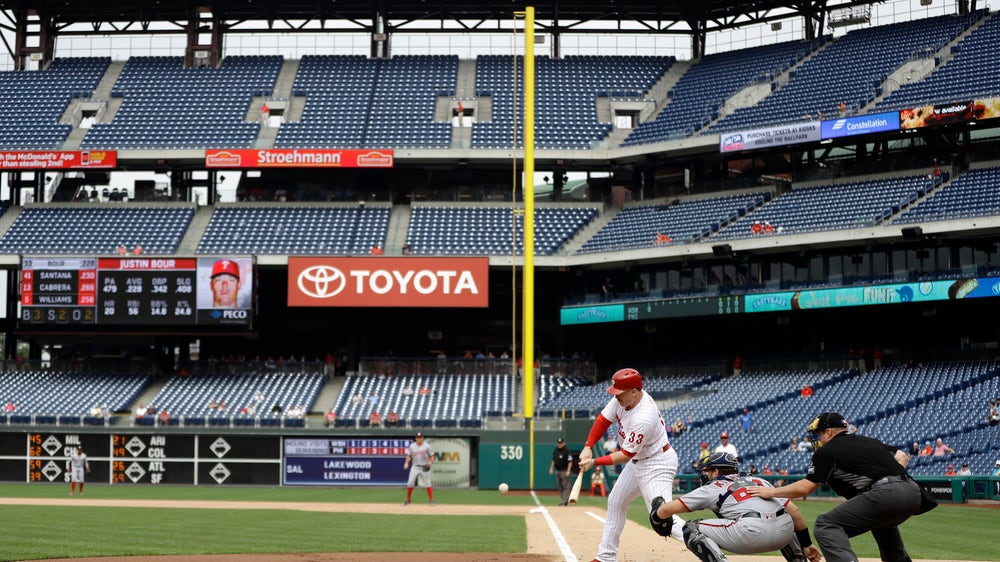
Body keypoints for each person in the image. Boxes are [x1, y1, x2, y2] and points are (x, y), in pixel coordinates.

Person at [748, 412, 925, 562]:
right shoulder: (869, 441)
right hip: (913, 491)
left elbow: (806, 487)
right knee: (882, 524)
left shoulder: (827, 450)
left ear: (829, 432)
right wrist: (894, 481)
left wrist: (772, 491)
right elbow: (902, 456)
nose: (816, 439)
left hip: (885, 493)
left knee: (826, 525)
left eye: (818, 434)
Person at [577, 368, 685, 562]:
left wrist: (594, 461)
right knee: (616, 501)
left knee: (663, 517)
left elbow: (626, 454)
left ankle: (707, 542)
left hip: (656, 464)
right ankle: (606, 557)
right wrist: (588, 446)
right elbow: (603, 420)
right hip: (640, 462)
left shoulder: (644, 415)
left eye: (620, 393)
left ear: (634, 391)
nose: (616, 397)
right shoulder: (624, 397)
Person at [649, 452, 819, 562]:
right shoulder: (760, 481)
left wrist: (657, 517)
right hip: (784, 535)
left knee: (690, 528)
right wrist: (806, 544)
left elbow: (666, 510)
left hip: (749, 533)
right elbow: (795, 512)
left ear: (716, 472)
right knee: (782, 516)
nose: (704, 474)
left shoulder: (713, 487)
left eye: (707, 471)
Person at [402, 432, 434, 506]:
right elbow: (409, 456)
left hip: (424, 467)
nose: (419, 439)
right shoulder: (412, 446)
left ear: (423, 438)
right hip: (415, 467)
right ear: (415, 438)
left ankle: (431, 500)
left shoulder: (427, 446)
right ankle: (408, 500)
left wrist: (429, 463)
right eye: (417, 437)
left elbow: (432, 456)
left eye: (420, 437)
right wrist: (406, 463)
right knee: (410, 483)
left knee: (428, 483)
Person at [549, 437, 573, 506]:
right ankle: (564, 501)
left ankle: (563, 501)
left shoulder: (567, 451)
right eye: (559, 443)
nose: (560, 444)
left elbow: (570, 461)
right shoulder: (556, 450)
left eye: (561, 443)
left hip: (565, 471)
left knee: (566, 486)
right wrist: (551, 468)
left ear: (564, 443)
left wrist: (568, 470)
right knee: (560, 487)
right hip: (558, 471)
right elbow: (553, 460)